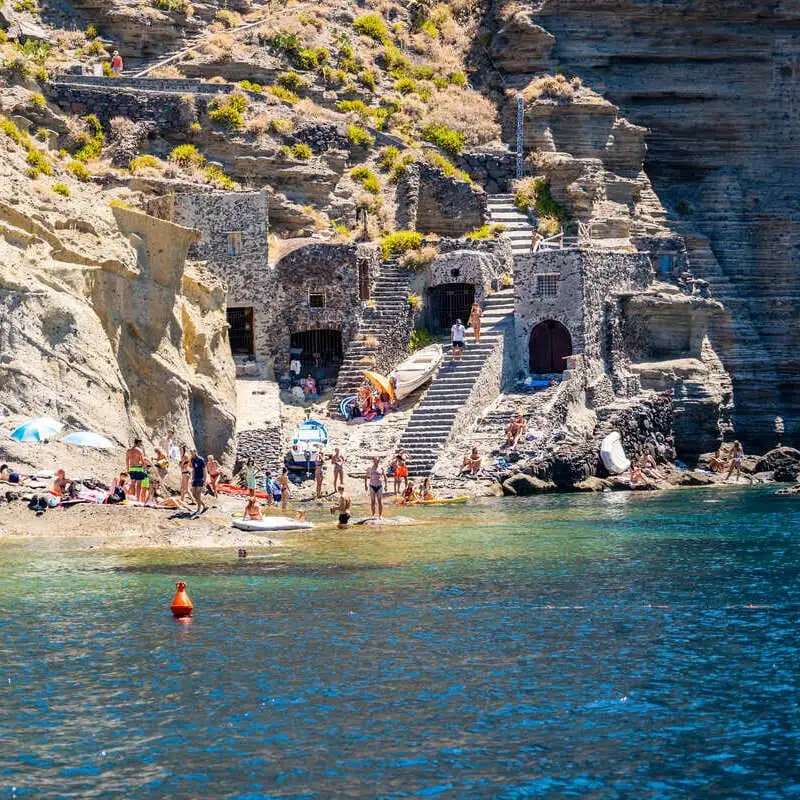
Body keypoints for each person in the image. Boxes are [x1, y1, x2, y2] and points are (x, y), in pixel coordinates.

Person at [190, 449, 207, 515]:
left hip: (200, 478)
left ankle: (198, 509)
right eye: (190, 452)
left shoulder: (201, 459)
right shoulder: (192, 459)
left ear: (195, 452)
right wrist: (192, 479)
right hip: (195, 479)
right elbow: (193, 469)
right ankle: (204, 505)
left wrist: (205, 481)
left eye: (192, 452)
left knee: (198, 494)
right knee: (194, 494)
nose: (191, 453)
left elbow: (204, 470)